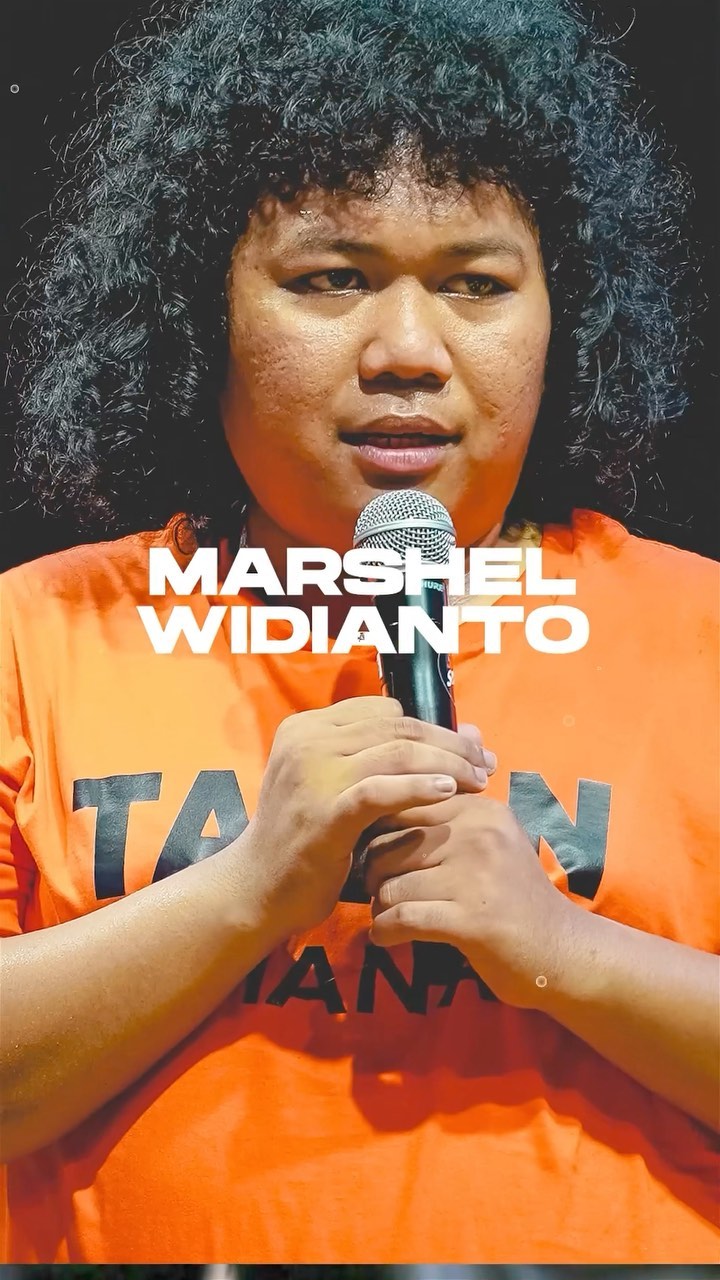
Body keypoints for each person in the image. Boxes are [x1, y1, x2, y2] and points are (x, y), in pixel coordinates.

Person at [0, 0, 718, 1264]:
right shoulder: (36, 634)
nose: (407, 351)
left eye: (477, 284)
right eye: (330, 279)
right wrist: (248, 889)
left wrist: (566, 949)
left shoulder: (701, 633)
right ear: (200, 309)